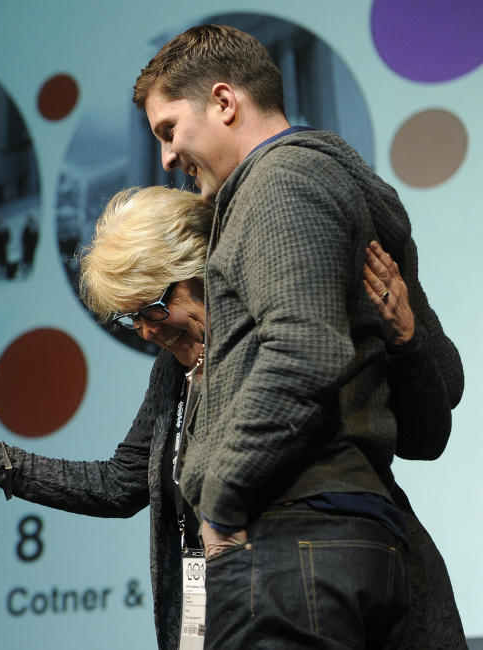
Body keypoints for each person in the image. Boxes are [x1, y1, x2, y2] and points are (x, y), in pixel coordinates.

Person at [0, 186, 464, 649]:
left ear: (200, 268)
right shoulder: (170, 373)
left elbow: (424, 430)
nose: (147, 330)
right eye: (129, 318)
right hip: (230, 607)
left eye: (153, 308)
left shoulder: (280, 335)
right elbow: (119, 484)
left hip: (324, 591)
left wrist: (409, 343)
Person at [131, 25, 464, 647]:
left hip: (291, 541)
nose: (167, 158)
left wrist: (223, 502)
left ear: (225, 103)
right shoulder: (341, 188)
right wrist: (407, 340)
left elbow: (305, 350)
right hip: (361, 538)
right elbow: (434, 409)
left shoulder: (280, 183)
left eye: (169, 130)